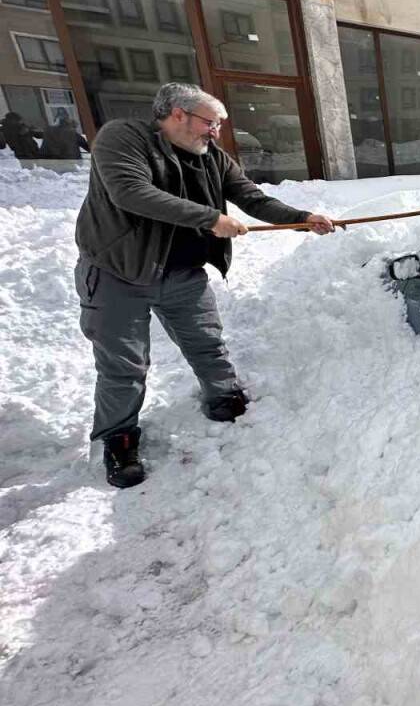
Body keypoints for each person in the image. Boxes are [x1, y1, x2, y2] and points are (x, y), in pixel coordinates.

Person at [75, 82, 337, 489]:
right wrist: (210, 219)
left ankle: (223, 395)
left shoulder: (212, 157)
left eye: (218, 125)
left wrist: (301, 216)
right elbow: (131, 193)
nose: (216, 132)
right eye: (210, 123)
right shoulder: (122, 139)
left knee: (206, 341)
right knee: (123, 365)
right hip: (118, 273)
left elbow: (251, 197)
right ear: (178, 114)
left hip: (181, 273)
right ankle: (119, 438)